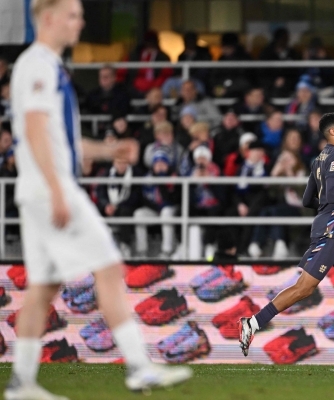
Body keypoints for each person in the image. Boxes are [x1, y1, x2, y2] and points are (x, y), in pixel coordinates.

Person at [6, 1, 192, 398]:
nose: (82, 21)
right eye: (73, 15)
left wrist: (108, 152)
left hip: (37, 190)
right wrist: (58, 190)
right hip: (49, 188)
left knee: (43, 287)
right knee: (108, 266)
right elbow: (35, 130)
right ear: (50, 18)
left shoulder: (43, 65)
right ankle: (140, 367)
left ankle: (22, 383)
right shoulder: (38, 63)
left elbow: (61, 141)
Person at [238, 112, 334, 367]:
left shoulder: (319, 159)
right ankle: (252, 323)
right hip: (331, 231)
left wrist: (328, 208)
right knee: (304, 288)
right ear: (332, 132)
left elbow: (308, 200)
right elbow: (331, 193)